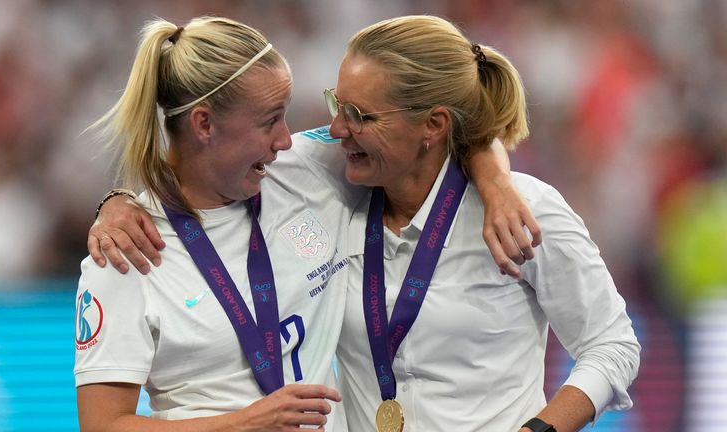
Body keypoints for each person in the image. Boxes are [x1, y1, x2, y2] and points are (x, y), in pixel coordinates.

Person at [76, 14, 539, 432]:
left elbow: (432, 133)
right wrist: (242, 424)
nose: (284, 139)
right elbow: (103, 426)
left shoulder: (306, 168)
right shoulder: (125, 251)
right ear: (204, 124)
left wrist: (496, 181)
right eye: (270, 120)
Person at [327, 16, 639, 432]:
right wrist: (491, 173)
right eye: (336, 103)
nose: (335, 129)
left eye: (358, 115)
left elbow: (612, 345)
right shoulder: (328, 197)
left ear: (433, 125)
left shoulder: (526, 210)